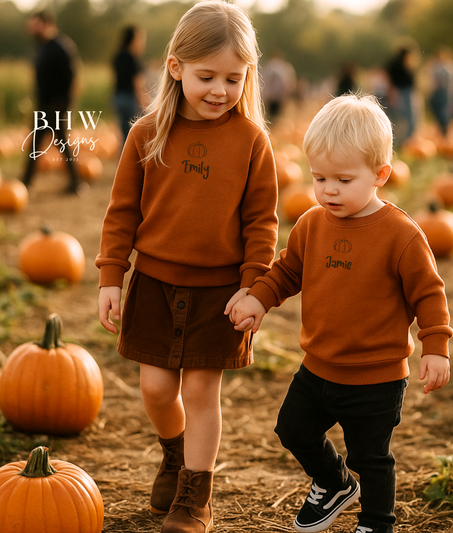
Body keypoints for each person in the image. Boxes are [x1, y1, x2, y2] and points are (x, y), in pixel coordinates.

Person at [229, 94, 453, 533]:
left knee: (370, 458)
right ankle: (333, 482)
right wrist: (258, 298)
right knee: (292, 429)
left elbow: (429, 293)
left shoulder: (400, 235)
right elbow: (287, 270)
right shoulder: (312, 224)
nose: (329, 189)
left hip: (377, 377)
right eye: (320, 177)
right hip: (318, 367)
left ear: (380, 175)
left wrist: (436, 347)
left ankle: (376, 522)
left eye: (344, 179)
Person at [96, 2, 278, 532]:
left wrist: (254, 287)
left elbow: (260, 222)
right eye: (206, 76)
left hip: (218, 290)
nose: (220, 89)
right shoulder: (146, 133)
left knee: (200, 391)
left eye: (233, 77)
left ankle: (196, 496)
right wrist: (112, 276)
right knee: (155, 388)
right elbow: (122, 212)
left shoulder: (251, 141)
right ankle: (175, 456)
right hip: (153, 281)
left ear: (248, 76)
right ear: (175, 67)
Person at [21, 9, 84, 195]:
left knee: (61, 144)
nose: (32, 29)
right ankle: (26, 181)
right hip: (43, 104)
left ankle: (76, 182)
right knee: (36, 143)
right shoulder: (42, 47)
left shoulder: (61, 46)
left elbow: (74, 77)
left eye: (36, 24)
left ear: (47, 24)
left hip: (57, 106)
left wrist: (66, 105)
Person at [112, 25, 150, 146]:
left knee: (124, 133)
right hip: (131, 99)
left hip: (118, 98)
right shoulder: (133, 59)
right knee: (137, 133)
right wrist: (144, 101)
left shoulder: (117, 56)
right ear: (134, 39)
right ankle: (135, 162)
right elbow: (137, 82)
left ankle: (123, 160)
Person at [385, 45, 419, 148]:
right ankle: (396, 142)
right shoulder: (395, 65)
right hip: (399, 93)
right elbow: (390, 81)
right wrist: (391, 93)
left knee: (411, 118)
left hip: (409, 94)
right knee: (399, 118)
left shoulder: (408, 66)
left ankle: (406, 142)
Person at [428, 46, 453, 137]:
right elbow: (432, 81)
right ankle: (441, 132)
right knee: (438, 114)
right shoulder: (436, 67)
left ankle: (445, 133)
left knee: (446, 114)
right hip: (438, 94)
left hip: (448, 95)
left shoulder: (452, 67)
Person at [261, 50, 297, 122]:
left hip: (269, 96)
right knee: (276, 115)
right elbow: (288, 82)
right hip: (279, 96)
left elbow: (263, 81)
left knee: (269, 114)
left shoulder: (268, 67)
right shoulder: (285, 68)